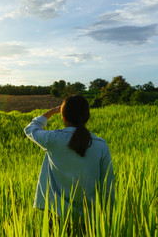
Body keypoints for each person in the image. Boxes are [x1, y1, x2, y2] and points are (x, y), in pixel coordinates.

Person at [24, 95, 115, 231]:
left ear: (63, 117)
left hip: (57, 217)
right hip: (89, 220)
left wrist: (51, 112)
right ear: (87, 117)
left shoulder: (53, 139)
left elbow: (31, 129)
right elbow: (108, 185)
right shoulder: (101, 145)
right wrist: (110, 217)